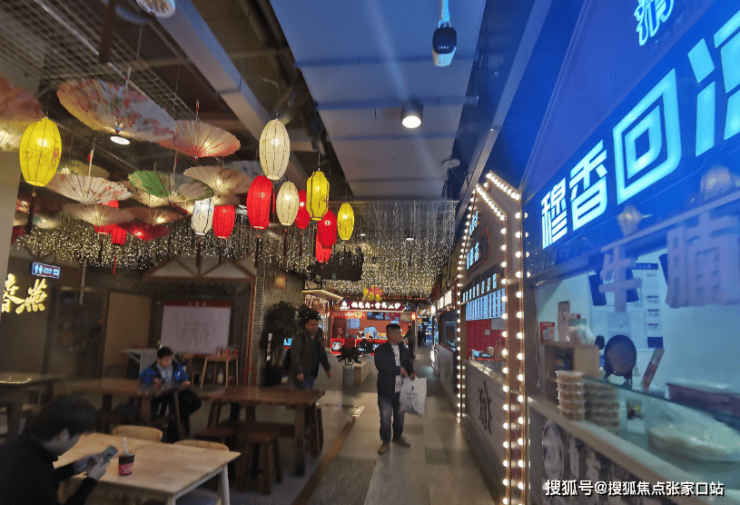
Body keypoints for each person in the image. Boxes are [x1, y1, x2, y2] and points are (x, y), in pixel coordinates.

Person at [0, 396, 111, 505]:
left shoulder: (15, 445)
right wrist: (91, 481)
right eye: (79, 436)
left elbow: (42, 480)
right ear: (63, 435)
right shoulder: (39, 476)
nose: (77, 440)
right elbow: (40, 483)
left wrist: (74, 467)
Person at [139, 347, 202, 440]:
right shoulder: (154, 368)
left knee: (196, 401)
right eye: (166, 360)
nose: (168, 362)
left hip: (177, 389)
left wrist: (182, 380)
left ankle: (174, 423)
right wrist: (153, 380)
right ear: (159, 360)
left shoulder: (175, 365)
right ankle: (173, 428)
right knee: (184, 402)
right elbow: (143, 377)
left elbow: (183, 377)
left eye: (170, 359)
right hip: (164, 393)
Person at [374, 323, 415, 455]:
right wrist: (399, 370)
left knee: (400, 417)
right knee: (385, 417)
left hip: (401, 389)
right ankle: (385, 441)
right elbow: (380, 366)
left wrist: (411, 372)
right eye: (398, 333)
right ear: (390, 335)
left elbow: (409, 364)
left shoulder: (404, 349)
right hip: (386, 389)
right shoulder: (380, 350)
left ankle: (397, 437)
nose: (400, 335)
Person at [290, 306, 331, 390]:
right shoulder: (300, 339)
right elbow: (295, 356)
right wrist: (299, 371)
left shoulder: (317, 341)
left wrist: (327, 369)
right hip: (301, 375)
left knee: (308, 394)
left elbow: (323, 356)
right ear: (306, 325)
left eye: (315, 324)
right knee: (303, 395)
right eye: (311, 324)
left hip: (312, 375)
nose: (313, 327)